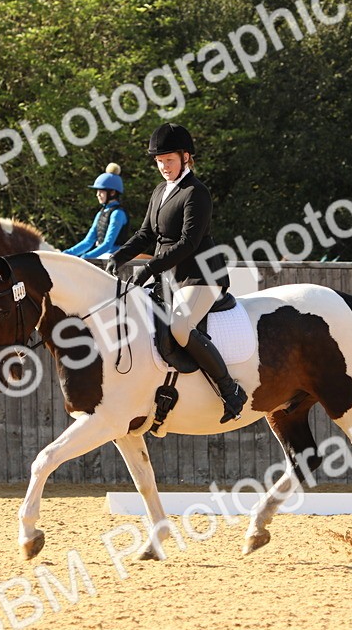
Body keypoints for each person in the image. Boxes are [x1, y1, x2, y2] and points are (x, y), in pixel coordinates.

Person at [108, 123, 247, 423]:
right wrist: (118, 256)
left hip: (200, 276)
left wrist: (148, 268)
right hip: (169, 280)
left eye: (168, 160)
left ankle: (230, 390)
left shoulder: (197, 193)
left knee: (180, 327)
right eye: (159, 161)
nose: (163, 166)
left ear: (186, 157)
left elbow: (188, 242)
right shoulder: (160, 191)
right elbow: (146, 234)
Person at [64, 163, 130, 259]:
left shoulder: (118, 213)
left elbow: (108, 244)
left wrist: (85, 257)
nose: (97, 194)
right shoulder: (100, 213)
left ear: (112, 193)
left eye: (101, 191)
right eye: (97, 191)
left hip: (114, 256)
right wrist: (66, 253)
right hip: (102, 255)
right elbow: (88, 241)